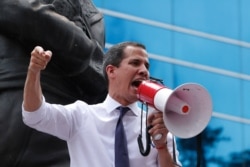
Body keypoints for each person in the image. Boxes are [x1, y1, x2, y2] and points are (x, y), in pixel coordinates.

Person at [22, 41, 182, 167]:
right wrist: (34, 71)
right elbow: (34, 115)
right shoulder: (81, 116)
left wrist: (161, 146)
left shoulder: (158, 126)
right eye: (135, 63)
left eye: (146, 66)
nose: (144, 71)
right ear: (111, 71)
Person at [0, 0, 106, 166]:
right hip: (12, 101)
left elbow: (96, 87)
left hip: (61, 126)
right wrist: (95, 61)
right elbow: (29, 16)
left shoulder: (92, 13)